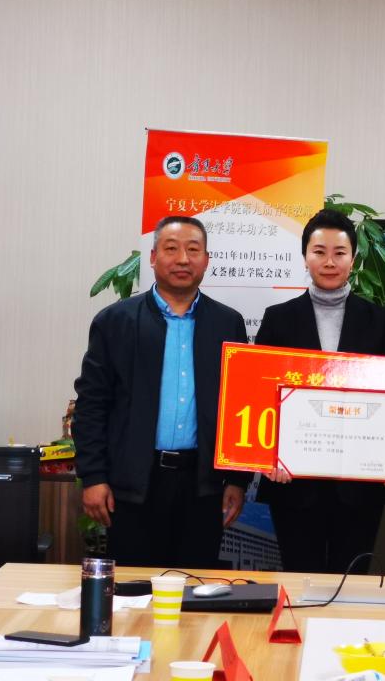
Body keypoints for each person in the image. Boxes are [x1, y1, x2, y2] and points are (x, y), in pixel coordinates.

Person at [73, 215, 251, 569]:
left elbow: (240, 407)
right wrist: (93, 477)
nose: (183, 259)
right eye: (171, 249)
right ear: (153, 257)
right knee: (134, 588)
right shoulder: (115, 321)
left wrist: (238, 480)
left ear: (206, 260)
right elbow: (91, 405)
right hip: (134, 486)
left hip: (203, 488)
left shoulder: (227, 323)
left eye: (193, 250)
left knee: (194, 587)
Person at [254, 208, 385, 574]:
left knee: (351, 582)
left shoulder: (378, 320)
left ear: (353, 259)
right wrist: (268, 455)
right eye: (319, 251)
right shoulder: (278, 318)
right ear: (305, 256)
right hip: (292, 482)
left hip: (360, 485)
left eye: (339, 253)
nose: (329, 262)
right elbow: (262, 395)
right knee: (300, 580)